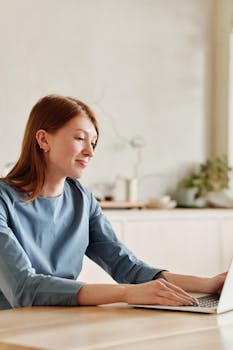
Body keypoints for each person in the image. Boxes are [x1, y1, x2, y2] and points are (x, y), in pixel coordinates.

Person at [0, 94, 226, 310]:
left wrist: (207, 285)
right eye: (80, 138)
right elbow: (24, 288)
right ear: (43, 139)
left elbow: (127, 267)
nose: (89, 151)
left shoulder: (82, 199)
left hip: (58, 321)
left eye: (94, 142)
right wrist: (127, 293)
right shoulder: (4, 200)